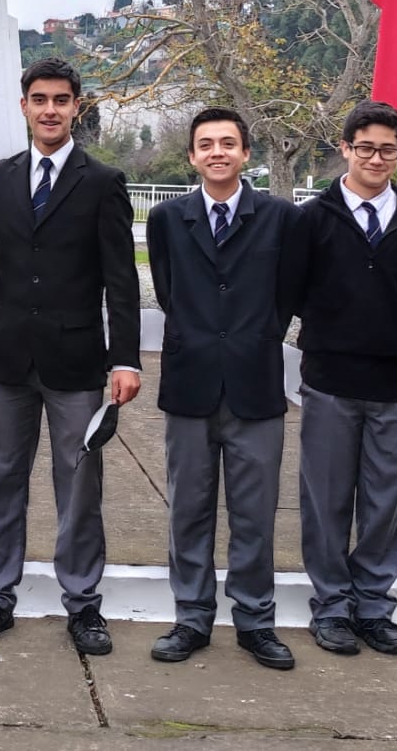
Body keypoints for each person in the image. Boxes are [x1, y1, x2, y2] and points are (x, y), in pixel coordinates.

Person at [0, 57, 141, 656]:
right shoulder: (1, 177)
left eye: (61, 100)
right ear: (25, 107)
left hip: (76, 363)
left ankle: (83, 605)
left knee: (79, 487)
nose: (50, 109)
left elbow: (121, 283)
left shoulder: (103, 182)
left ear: (77, 107)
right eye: (39, 99)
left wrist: (127, 359)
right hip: (9, 360)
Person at [144, 108, 299, 671]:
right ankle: (191, 618)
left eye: (228, 143)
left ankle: (256, 621)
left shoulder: (280, 218)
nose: (217, 152)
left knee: (255, 513)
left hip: (256, 384)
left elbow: (287, 295)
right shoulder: (167, 219)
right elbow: (168, 291)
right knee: (189, 508)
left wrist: (254, 338)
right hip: (190, 384)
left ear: (245, 153)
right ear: (191, 155)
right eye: (205, 144)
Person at [296, 100, 397, 657]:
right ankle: (331, 607)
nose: (376, 158)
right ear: (345, 149)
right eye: (365, 148)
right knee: (326, 498)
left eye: (386, 149)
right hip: (330, 379)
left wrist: (387, 329)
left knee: (386, 500)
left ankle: (374, 607)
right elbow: (295, 289)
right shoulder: (314, 219)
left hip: (396, 382)